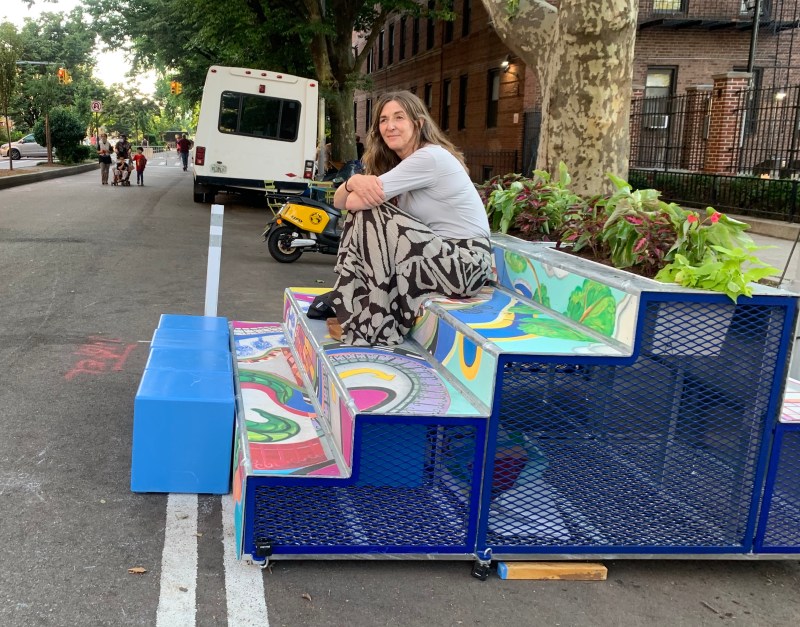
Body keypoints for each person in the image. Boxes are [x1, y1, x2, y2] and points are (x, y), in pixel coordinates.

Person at [325, 90, 493, 346]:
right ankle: (365, 313)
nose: (390, 126)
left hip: (465, 264)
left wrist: (353, 186)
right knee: (371, 212)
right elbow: (339, 201)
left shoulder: (428, 158)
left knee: (371, 212)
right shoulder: (401, 164)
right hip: (443, 256)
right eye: (383, 120)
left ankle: (373, 320)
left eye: (399, 117)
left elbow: (352, 203)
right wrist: (354, 181)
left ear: (419, 123)